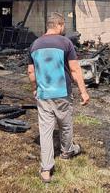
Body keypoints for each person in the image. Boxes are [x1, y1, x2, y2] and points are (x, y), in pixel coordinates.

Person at [27, 12, 90, 183]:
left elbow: (31, 72)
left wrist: (35, 88)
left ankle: (46, 169)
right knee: (66, 124)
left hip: (44, 94)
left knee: (45, 131)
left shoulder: (35, 44)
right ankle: (66, 151)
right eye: (64, 26)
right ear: (60, 25)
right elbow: (75, 70)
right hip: (62, 93)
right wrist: (83, 91)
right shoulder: (65, 43)